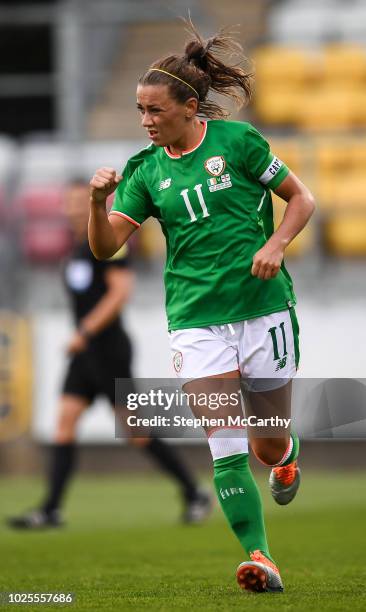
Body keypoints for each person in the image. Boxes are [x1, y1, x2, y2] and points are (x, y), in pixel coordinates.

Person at [87, 20, 315, 594]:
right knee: (226, 443)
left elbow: (301, 199)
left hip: (264, 308)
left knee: (265, 440)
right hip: (195, 320)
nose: (145, 120)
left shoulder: (238, 144)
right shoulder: (145, 171)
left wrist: (275, 243)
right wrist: (97, 203)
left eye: (154, 110)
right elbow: (105, 245)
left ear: (190, 108)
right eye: (140, 110)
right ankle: (261, 557)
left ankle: (284, 453)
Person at [7, 179, 212, 529]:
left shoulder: (110, 242)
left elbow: (120, 293)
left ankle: (195, 492)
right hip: (85, 352)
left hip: (108, 349)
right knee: (64, 423)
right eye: (68, 201)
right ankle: (51, 509)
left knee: (136, 431)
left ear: (93, 204)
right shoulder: (75, 246)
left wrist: (84, 331)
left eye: (79, 201)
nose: (72, 207)